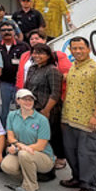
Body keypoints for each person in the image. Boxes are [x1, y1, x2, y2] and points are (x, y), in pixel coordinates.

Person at [60, 37, 96, 191]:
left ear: (89, 49)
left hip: (89, 121)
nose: (77, 51)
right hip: (70, 119)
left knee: (88, 154)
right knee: (72, 152)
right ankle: (77, 178)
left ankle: (88, 187)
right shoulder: (74, 67)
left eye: (81, 48)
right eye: (74, 48)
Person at [1, 88, 55, 191]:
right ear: (18, 101)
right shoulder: (12, 115)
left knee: (24, 154)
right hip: (21, 150)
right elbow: (10, 138)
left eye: (31, 99)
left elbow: (40, 146)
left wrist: (18, 148)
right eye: (24, 99)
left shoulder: (41, 120)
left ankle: (31, 187)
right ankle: (29, 174)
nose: (28, 102)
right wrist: (18, 146)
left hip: (43, 156)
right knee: (7, 166)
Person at [24, 43, 65, 171]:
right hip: (33, 108)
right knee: (39, 135)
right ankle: (43, 158)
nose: (37, 56)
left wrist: (46, 110)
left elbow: (55, 93)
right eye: (35, 52)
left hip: (49, 109)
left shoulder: (52, 70)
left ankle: (60, 158)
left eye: (41, 53)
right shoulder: (32, 68)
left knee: (53, 134)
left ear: (48, 55)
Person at [0, 21, 30, 124]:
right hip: (3, 83)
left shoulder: (24, 46)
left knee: (21, 109)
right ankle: (4, 134)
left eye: (9, 30)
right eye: (3, 30)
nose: (7, 32)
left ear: (15, 31)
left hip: (20, 84)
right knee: (4, 111)